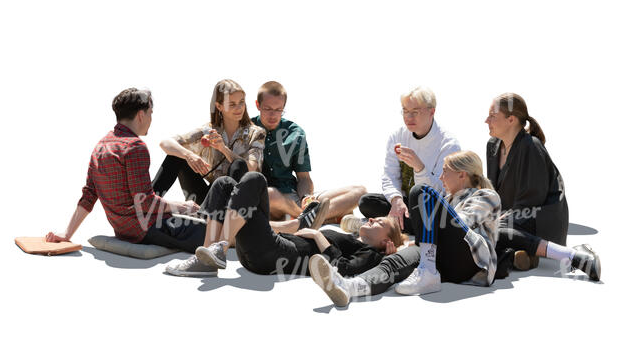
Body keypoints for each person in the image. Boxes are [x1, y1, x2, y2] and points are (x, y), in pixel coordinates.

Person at [45, 88, 214, 270]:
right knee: (217, 232)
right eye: (150, 113)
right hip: (147, 229)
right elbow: (146, 203)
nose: (151, 119)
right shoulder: (135, 147)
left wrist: (67, 233)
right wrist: (183, 206)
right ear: (140, 115)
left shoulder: (101, 146)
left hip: (123, 230)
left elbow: (89, 195)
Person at [310, 151, 501, 306]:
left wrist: (431, 213)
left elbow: (461, 224)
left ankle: (427, 271)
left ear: (462, 174)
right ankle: (349, 287)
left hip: (470, 261)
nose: (441, 177)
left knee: (422, 192)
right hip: (444, 262)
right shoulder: (449, 199)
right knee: (394, 262)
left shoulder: (486, 196)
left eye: (445, 171)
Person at [176, 171, 406, 278]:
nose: (373, 218)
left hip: (274, 255)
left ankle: (221, 246)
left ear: (386, 241)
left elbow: (344, 269)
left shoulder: (368, 253)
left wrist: (318, 237)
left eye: (380, 222)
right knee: (224, 183)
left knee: (255, 179)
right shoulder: (354, 240)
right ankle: (205, 257)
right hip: (267, 247)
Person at [485, 93, 600, 279]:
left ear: (511, 119)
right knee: (480, 227)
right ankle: (517, 256)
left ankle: (576, 255)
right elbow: (493, 191)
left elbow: (532, 199)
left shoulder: (531, 146)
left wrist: (498, 218)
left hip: (540, 217)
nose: (486, 120)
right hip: (512, 217)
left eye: (492, 116)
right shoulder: (493, 146)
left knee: (490, 229)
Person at [251, 81, 367, 223]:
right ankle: (319, 217)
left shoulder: (296, 133)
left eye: (278, 110)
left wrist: (306, 197)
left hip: (293, 198)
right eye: (268, 109)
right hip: (266, 200)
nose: (273, 115)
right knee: (270, 195)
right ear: (258, 105)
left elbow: (304, 178)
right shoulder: (246, 130)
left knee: (359, 191)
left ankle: (308, 216)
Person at [358, 86, 460, 234]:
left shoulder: (448, 144)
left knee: (435, 220)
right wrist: (396, 200)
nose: (408, 117)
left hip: (431, 207)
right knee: (367, 202)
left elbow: (442, 190)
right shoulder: (398, 136)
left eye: (415, 112)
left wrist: (419, 168)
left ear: (432, 112)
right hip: (406, 205)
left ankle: (393, 225)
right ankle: (400, 224)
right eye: (405, 111)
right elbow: (389, 175)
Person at [152, 79, 266, 205]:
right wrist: (189, 155)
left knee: (238, 164)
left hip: (236, 202)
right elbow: (165, 143)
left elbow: (251, 169)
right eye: (232, 104)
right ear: (219, 106)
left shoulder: (256, 133)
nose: (239, 108)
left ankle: (223, 220)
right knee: (176, 156)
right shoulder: (209, 130)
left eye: (241, 102)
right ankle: (147, 203)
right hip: (209, 198)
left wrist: (223, 149)